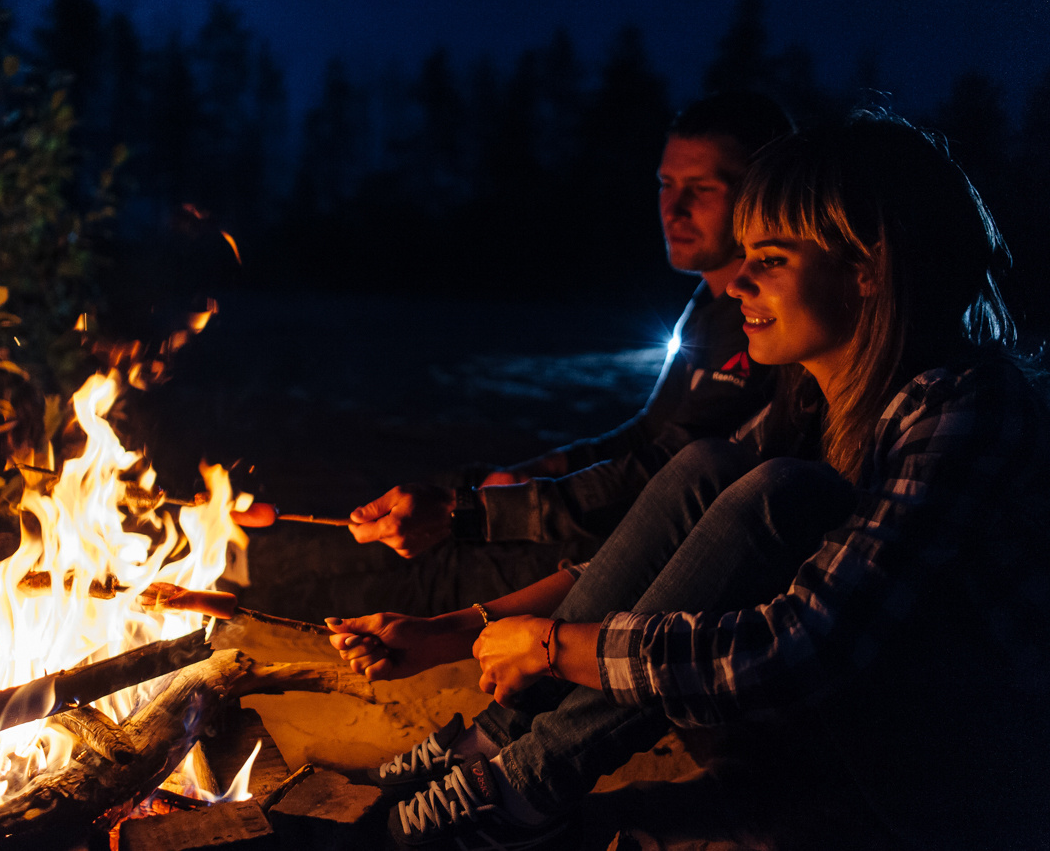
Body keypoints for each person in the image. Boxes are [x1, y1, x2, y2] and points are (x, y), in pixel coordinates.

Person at [328, 109, 1050, 850]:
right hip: (862, 741)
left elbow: (797, 647)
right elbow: (684, 550)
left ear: (869, 269)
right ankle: (501, 756)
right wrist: (459, 629)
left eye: (772, 260)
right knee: (711, 470)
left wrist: (554, 646)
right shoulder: (821, 401)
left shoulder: (967, 409)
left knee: (778, 493)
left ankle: (523, 785)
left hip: (977, 791)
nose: (737, 285)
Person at [241, 92, 792, 621]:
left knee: (441, 565)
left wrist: (477, 514)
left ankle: (256, 595)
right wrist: (536, 471)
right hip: (619, 511)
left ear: (761, 192)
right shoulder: (709, 300)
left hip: (638, 547)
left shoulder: (767, 321)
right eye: (666, 184)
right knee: (456, 484)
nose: (674, 207)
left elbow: (668, 467)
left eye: (703, 188)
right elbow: (648, 430)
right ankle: (243, 555)